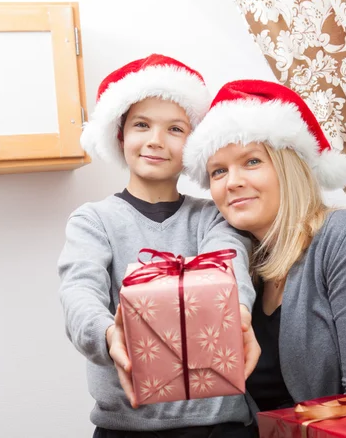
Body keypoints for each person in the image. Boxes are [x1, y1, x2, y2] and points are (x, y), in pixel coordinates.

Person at [183, 79, 346, 412]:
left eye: (252, 161)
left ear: (291, 167)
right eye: (218, 171)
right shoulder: (245, 267)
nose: (233, 182)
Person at [58, 56, 260, 437]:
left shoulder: (213, 216)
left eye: (175, 129)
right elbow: (78, 292)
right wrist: (109, 334)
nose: (155, 140)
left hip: (221, 426)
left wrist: (239, 314)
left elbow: (231, 267)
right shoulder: (93, 221)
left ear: (193, 143)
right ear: (120, 135)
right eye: (141, 125)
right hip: (126, 427)